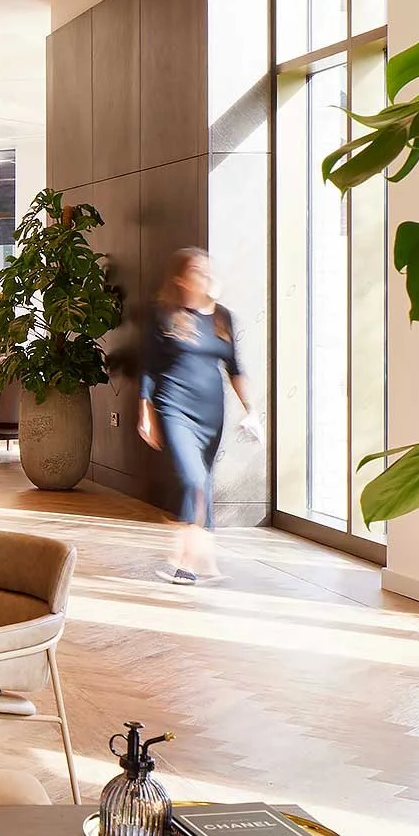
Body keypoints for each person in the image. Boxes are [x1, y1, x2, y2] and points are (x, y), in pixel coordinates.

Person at [137, 247, 255, 586]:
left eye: (206, 270)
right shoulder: (165, 316)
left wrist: (252, 410)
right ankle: (186, 561)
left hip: (211, 413)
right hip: (174, 407)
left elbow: (235, 368)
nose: (203, 275)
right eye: (195, 270)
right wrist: (145, 409)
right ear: (181, 277)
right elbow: (150, 367)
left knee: (203, 480)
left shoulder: (223, 318)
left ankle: (202, 554)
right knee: (193, 479)